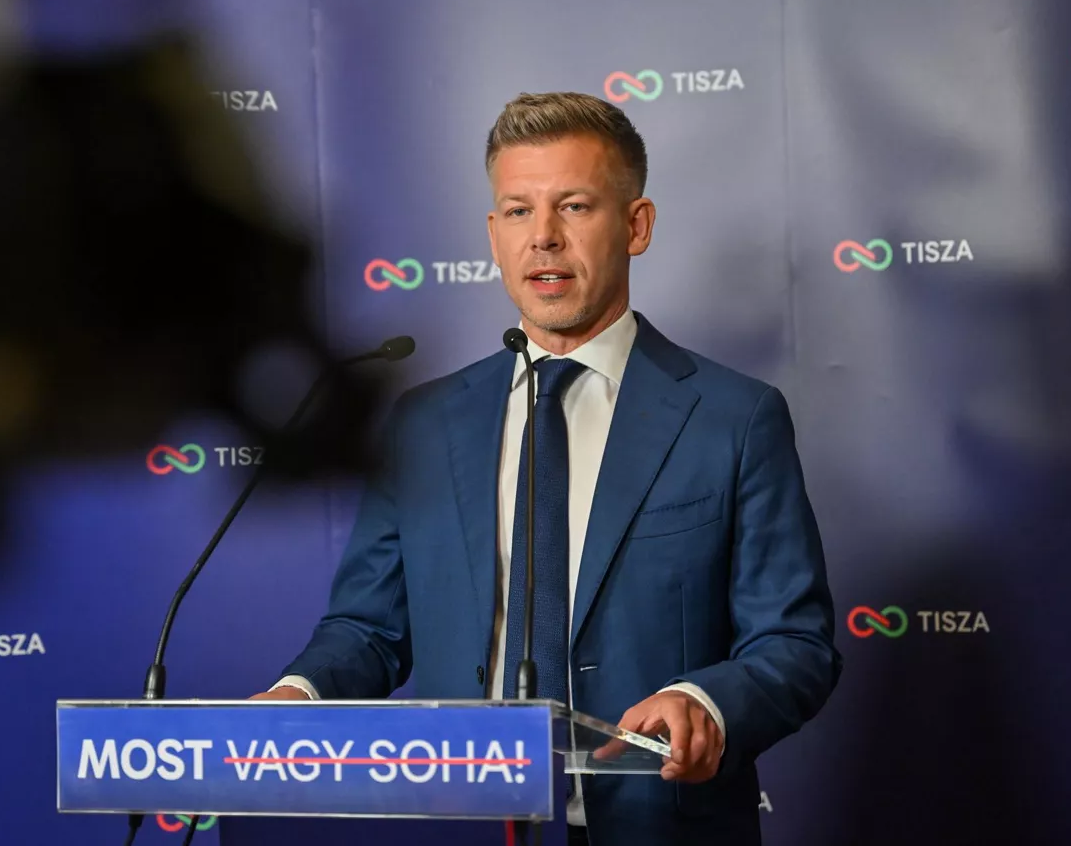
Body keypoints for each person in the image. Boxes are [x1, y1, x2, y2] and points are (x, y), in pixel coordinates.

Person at [252, 91, 841, 846]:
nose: (546, 239)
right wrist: (299, 694)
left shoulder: (734, 417)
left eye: (575, 206)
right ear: (493, 235)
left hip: (660, 826)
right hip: (465, 825)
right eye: (520, 211)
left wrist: (708, 701)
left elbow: (795, 642)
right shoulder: (425, 423)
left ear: (636, 225)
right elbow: (368, 628)